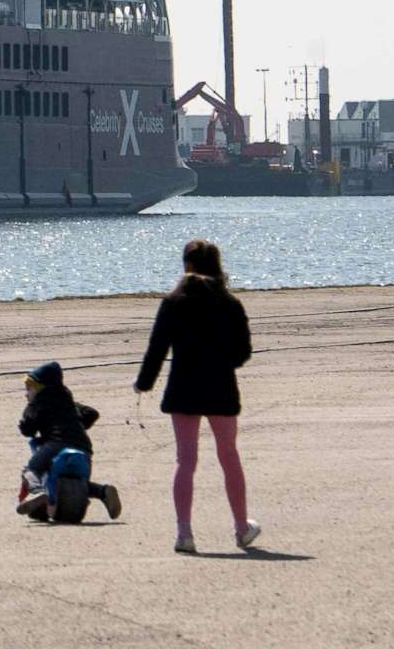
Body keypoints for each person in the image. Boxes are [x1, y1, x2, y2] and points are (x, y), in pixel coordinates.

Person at [134, 237, 259, 554]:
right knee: (229, 455)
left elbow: (157, 349)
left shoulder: (173, 303)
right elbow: (243, 352)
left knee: (185, 460)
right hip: (220, 388)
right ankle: (241, 528)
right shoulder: (230, 304)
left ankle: (184, 533)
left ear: (186, 266)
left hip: (184, 387)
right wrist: (220, 362)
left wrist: (144, 383)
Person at [14, 361, 120, 522]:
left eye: (29, 389)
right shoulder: (69, 403)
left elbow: (28, 429)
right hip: (83, 445)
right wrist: (78, 424)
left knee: (32, 470)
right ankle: (103, 492)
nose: (26, 394)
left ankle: (37, 491)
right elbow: (92, 413)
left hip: (56, 443)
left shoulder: (37, 402)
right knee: (83, 483)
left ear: (41, 388)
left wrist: (26, 425)